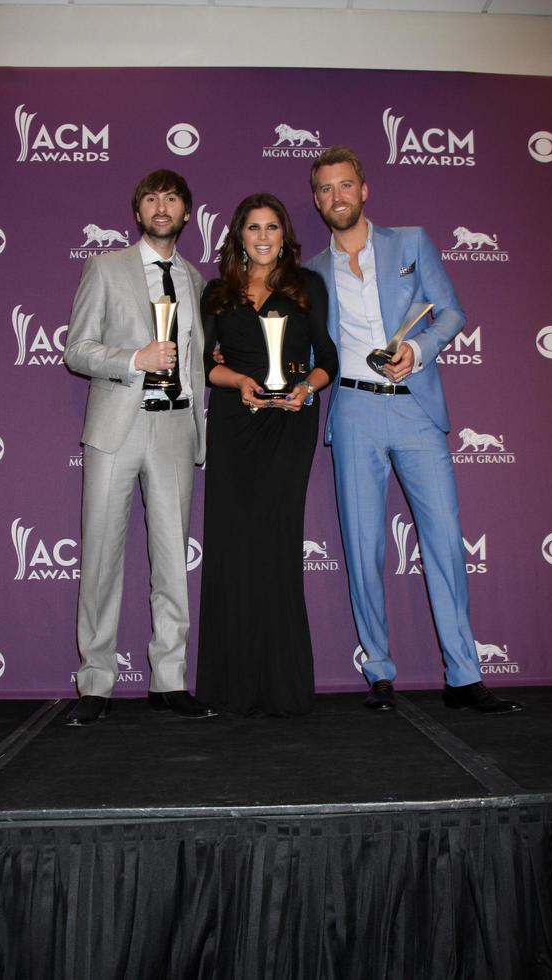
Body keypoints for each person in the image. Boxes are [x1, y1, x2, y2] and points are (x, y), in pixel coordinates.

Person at [306, 146, 522, 714]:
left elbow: (451, 311)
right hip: (352, 411)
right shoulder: (311, 273)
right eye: (326, 189)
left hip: (416, 408)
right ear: (317, 200)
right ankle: (378, 671)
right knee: (362, 546)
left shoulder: (411, 242)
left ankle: (463, 675)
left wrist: (418, 350)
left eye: (346, 185)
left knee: (446, 542)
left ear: (364, 189)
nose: (338, 197)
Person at [64, 169, 217, 726]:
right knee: (101, 553)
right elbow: (76, 349)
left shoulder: (197, 281)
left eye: (172, 198)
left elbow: (202, 363)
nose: (161, 206)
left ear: (186, 212)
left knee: (173, 560)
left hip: (176, 428)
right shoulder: (105, 269)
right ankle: (96, 682)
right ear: (137, 212)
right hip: (117, 427)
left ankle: (169, 680)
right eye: (151, 198)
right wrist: (135, 359)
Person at [196, 193, 338, 716]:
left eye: (272, 227)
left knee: (275, 544)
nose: (262, 236)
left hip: (290, 423)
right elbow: (203, 365)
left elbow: (327, 358)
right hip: (234, 424)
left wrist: (309, 390)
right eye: (252, 228)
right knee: (232, 546)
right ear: (238, 236)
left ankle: (283, 686)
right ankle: (229, 686)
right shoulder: (217, 293)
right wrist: (237, 380)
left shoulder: (308, 287)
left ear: (284, 236)